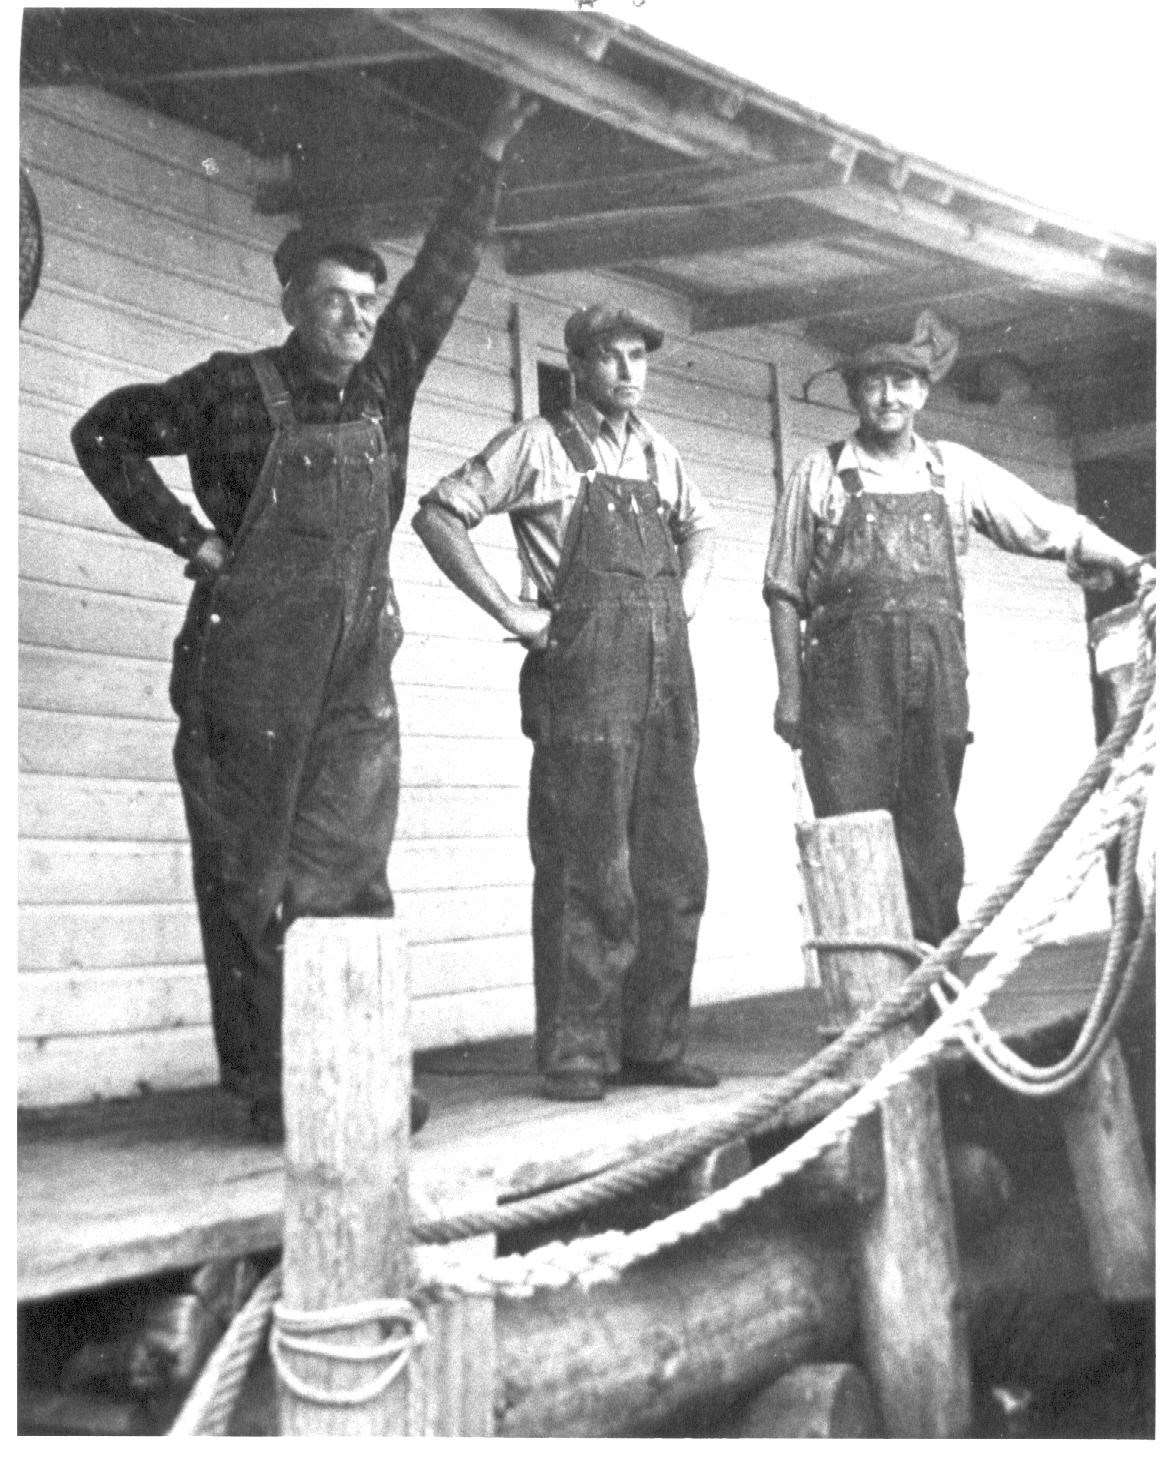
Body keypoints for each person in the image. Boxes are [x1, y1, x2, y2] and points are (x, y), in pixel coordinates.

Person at [71, 89, 537, 1141]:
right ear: (290, 302)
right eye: (332, 300)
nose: (357, 318)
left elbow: (445, 273)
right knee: (251, 881)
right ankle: (273, 1089)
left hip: (352, 679)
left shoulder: (384, 380)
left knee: (350, 876)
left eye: (365, 303)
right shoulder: (227, 391)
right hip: (247, 677)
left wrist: (491, 152)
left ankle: (358, 1074)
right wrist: (190, 537)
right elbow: (102, 432)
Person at [764, 310, 1149, 948]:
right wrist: (791, 694)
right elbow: (782, 592)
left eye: (903, 382)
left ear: (923, 391)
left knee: (933, 844)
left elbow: (1047, 523)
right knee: (853, 844)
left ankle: (932, 1004)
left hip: (934, 685)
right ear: (855, 392)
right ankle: (869, 1010)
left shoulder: (953, 470)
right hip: (845, 695)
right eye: (874, 383)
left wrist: (1128, 560)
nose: (889, 396)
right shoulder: (819, 472)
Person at [412, 306, 718, 1101]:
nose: (627, 372)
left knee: (673, 866)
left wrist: (684, 600)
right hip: (584, 679)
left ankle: (655, 1043)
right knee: (590, 871)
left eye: (637, 358)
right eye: (609, 357)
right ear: (576, 365)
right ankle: (579, 1054)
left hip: (664, 681)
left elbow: (702, 530)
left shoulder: (658, 453)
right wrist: (510, 612)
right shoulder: (540, 444)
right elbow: (440, 512)